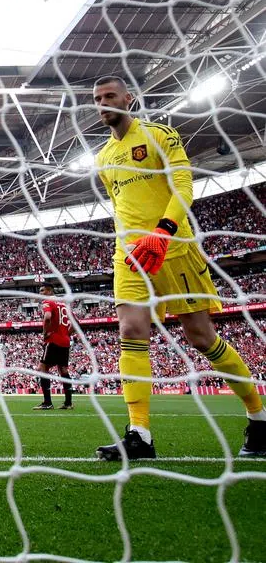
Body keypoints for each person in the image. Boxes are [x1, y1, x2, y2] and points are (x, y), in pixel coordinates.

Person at [92, 75, 264, 459]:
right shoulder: (103, 158)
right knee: (131, 330)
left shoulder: (159, 135)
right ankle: (139, 434)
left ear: (128, 99)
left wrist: (163, 231)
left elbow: (183, 186)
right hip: (131, 256)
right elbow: (120, 208)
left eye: (110, 96)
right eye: (98, 98)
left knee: (201, 337)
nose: (103, 103)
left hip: (173, 248)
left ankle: (259, 417)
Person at [33, 284, 73, 411]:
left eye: (42, 290)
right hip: (65, 341)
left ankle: (47, 402)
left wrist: (45, 333)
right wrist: (66, 334)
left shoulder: (47, 302)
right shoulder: (63, 304)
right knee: (63, 370)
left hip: (53, 339)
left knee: (42, 368)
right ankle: (68, 403)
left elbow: (47, 317)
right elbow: (76, 323)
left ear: (50, 291)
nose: (40, 293)